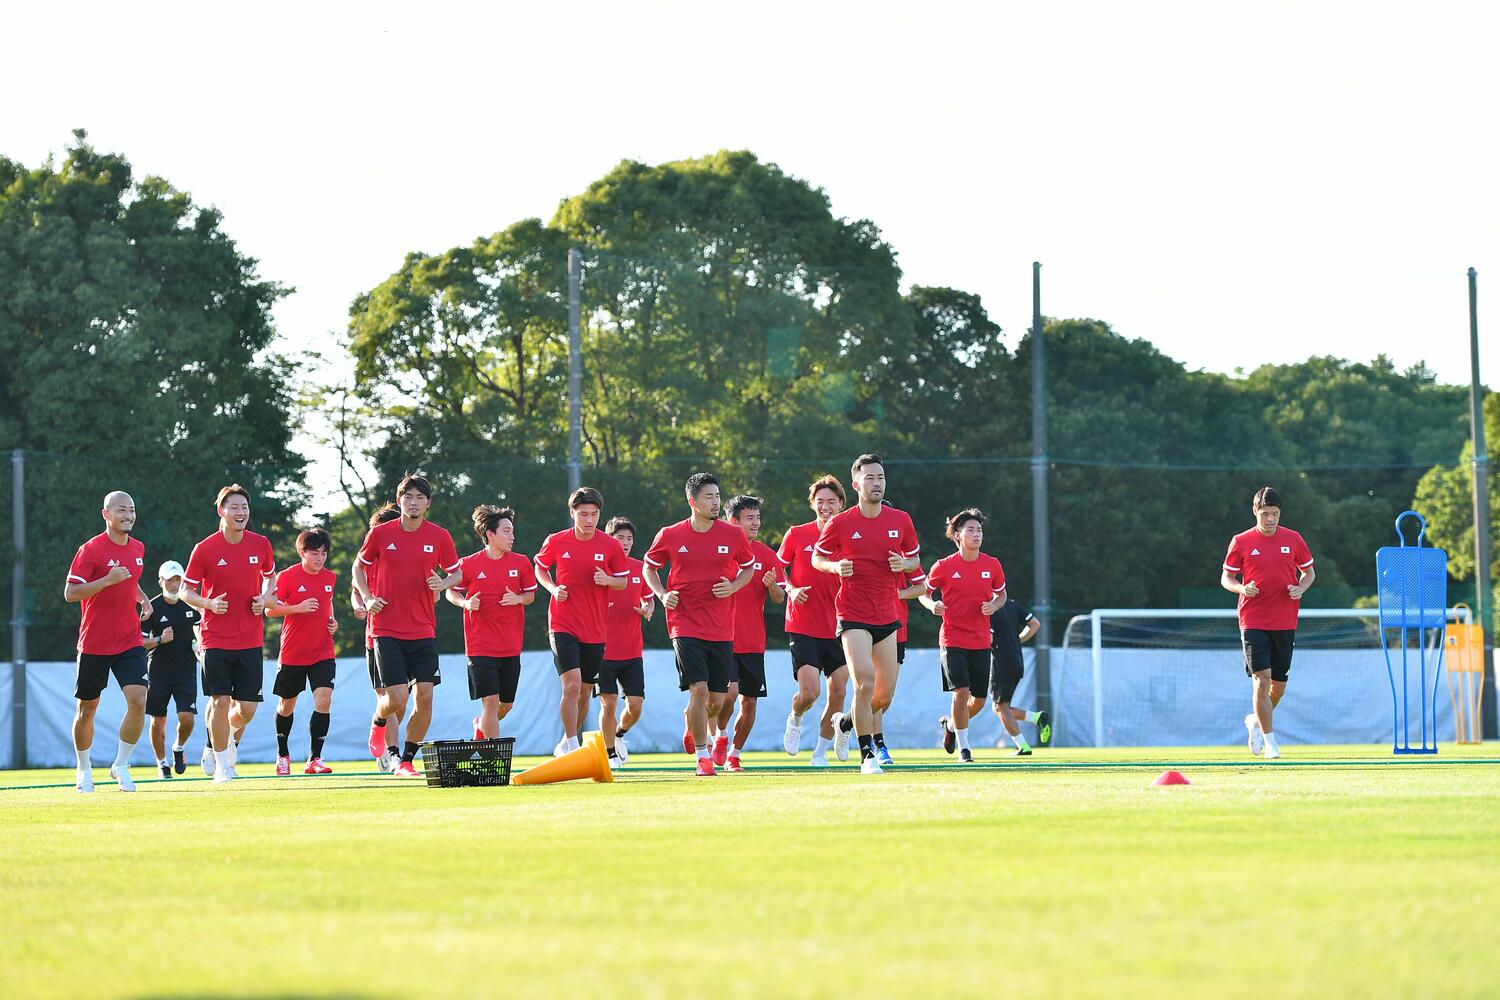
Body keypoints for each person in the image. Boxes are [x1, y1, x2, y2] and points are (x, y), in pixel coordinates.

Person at [812, 454, 921, 775]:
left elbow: (915, 561)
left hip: (887, 615)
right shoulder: (841, 523)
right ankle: (867, 756)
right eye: (870, 477)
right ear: (856, 484)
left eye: (881, 477)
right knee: (864, 683)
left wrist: (905, 564)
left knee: (883, 696)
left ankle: (845, 722)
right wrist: (835, 566)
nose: (877, 483)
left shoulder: (901, 520)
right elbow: (818, 558)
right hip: (852, 614)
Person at [643, 473, 756, 776]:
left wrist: (733, 587)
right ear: (693, 502)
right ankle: (702, 758)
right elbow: (649, 568)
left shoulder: (733, 535)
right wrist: (662, 594)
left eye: (718, 496)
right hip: (684, 623)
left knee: (716, 701)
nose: (716, 502)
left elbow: (747, 569)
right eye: (709, 497)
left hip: (721, 627)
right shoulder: (670, 534)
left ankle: (692, 721)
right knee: (699, 689)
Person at [353, 474, 463, 778]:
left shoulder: (440, 536)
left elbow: (457, 574)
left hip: (423, 628)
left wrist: (443, 583)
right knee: (397, 698)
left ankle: (406, 760)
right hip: (386, 628)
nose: (413, 503)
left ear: (428, 503)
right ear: (399, 500)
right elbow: (358, 567)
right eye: (408, 497)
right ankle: (378, 721)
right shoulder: (380, 534)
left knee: (425, 695)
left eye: (420, 498)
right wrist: (367, 597)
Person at [180, 484, 277, 784]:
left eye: (244, 507)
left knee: (246, 708)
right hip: (215, 637)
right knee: (220, 701)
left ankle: (217, 740)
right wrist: (208, 603)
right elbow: (185, 591)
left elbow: (270, 577)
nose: (240, 512)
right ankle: (223, 765)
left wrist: (264, 597)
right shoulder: (205, 548)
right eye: (234, 507)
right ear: (221, 511)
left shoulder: (261, 544)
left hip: (250, 638)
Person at [64, 491, 154, 793]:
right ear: (106, 514)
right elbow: (70, 593)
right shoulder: (90, 550)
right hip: (94, 643)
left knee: (139, 701)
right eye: (121, 510)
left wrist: (142, 598)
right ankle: (83, 769)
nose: (128, 515)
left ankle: (121, 766)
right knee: (87, 709)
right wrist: (106, 581)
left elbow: (130, 579)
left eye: (132, 510)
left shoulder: (138, 547)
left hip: (129, 640)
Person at [1221, 485, 1315, 760]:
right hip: (1253, 620)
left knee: (1278, 687)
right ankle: (1271, 743)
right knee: (1261, 679)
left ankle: (1256, 720)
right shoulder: (1240, 541)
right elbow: (1227, 578)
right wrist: (1242, 588)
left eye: (1274, 513)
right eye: (1265, 514)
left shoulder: (1294, 539)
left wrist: (1300, 588)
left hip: (1285, 620)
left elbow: (1309, 573)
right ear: (1255, 512)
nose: (1270, 519)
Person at [535, 487, 630, 755]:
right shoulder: (556, 541)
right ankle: (573, 743)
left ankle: (567, 742)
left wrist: (608, 580)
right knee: (572, 685)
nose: (589, 519)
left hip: (595, 629)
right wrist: (553, 588)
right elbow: (540, 568)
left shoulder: (610, 545)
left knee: (585, 691)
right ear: (572, 513)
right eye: (583, 514)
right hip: (562, 624)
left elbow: (622, 581)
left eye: (594, 514)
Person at [922, 508, 1007, 763]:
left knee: (978, 701)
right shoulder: (944, 566)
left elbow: (1001, 595)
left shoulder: (992, 564)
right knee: (961, 692)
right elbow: (923, 593)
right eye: (970, 530)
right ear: (957, 535)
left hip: (980, 641)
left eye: (979, 530)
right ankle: (964, 748)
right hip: (952, 639)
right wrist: (932, 605)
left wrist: (994, 605)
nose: (976, 534)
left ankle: (950, 725)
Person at [447, 505, 537, 740]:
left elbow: (530, 595)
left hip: (510, 646)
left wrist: (518, 598)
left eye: (512, 531)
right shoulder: (468, 564)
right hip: (480, 646)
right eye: (506, 531)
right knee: (490, 701)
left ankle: (481, 725)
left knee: (506, 705)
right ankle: (494, 754)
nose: (512, 536)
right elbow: (450, 591)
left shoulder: (521, 562)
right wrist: (466, 603)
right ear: (490, 534)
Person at [778, 475, 850, 766]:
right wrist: (791, 590)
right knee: (809, 693)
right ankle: (795, 717)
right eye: (820, 501)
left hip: (841, 625)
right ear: (812, 504)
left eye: (831, 501)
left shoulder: (849, 535)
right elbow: (777, 568)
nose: (825, 506)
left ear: (841, 504)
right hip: (803, 625)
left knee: (839, 691)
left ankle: (820, 752)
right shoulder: (796, 534)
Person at [715, 494, 785, 772]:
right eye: (750, 518)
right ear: (733, 521)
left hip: (753, 641)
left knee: (750, 703)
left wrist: (772, 586)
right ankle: (720, 735)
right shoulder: (720, 550)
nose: (756, 523)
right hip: (723, 638)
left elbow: (779, 597)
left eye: (757, 517)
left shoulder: (767, 555)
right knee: (729, 694)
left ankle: (735, 754)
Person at [266, 529, 339, 776]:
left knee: (324, 700)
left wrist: (333, 621)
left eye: (324, 553)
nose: (320, 558)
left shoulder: (330, 577)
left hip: (323, 651)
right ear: (302, 552)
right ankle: (282, 754)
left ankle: (315, 759)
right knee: (287, 705)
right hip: (293, 653)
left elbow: (328, 601)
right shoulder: (287, 576)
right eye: (315, 553)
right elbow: (270, 610)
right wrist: (297, 608)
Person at [598, 517, 653, 768]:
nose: (626, 542)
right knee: (608, 703)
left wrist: (647, 608)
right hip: (602, 651)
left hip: (631, 651)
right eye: (620, 538)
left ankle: (619, 735)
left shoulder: (639, 568)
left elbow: (648, 600)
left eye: (629, 538)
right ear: (609, 540)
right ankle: (609, 753)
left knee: (636, 706)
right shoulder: (599, 569)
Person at [351, 502, 402, 771]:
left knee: (399, 702)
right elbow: (355, 591)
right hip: (376, 638)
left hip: (410, 637)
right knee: (387, 696)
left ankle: (380, 727)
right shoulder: (365, 562)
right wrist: (360, 605)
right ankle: (394, 754)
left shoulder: (410, 556)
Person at [141, 560, 201, 778]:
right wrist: (159, 639)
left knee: (187, 718)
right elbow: (140, 642)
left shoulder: (191, 606)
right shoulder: (151, 607)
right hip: (159, 671)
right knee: (158, 720)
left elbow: (201, 629)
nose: (174, 584)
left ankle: (178, 748)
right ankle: (162, 764)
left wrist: (198, 643)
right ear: (161, 581)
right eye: (170, 580)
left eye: (178, 580)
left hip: (186, 670)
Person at [990, 598, 1049, 750]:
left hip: (1002, 662)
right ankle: (1036, 718)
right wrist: (1016, 641)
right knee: (999, 707)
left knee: (1001, 707)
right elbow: (1035, 624)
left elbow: (988, 638)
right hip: (1017, 660)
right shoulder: (1012, 604)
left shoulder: (989, 608)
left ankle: (1023, 746)